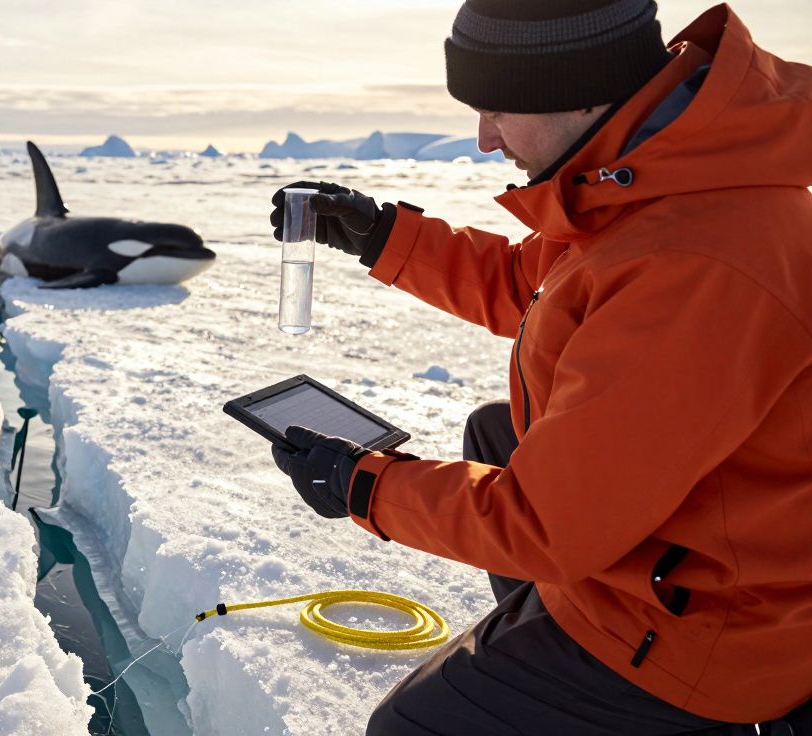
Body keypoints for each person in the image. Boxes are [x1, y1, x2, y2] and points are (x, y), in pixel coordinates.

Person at [268, 1, 812, 734]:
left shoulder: (696, 260)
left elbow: (545, 526)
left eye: (498, 109)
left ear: (580, 87)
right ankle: (554, 639)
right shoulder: (646, 170)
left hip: (711, 631)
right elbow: (539, 287)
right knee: (497, 432)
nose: (485, 139)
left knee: (409, 728)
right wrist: (383, 237)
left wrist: (365, 484)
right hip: (677, 545)